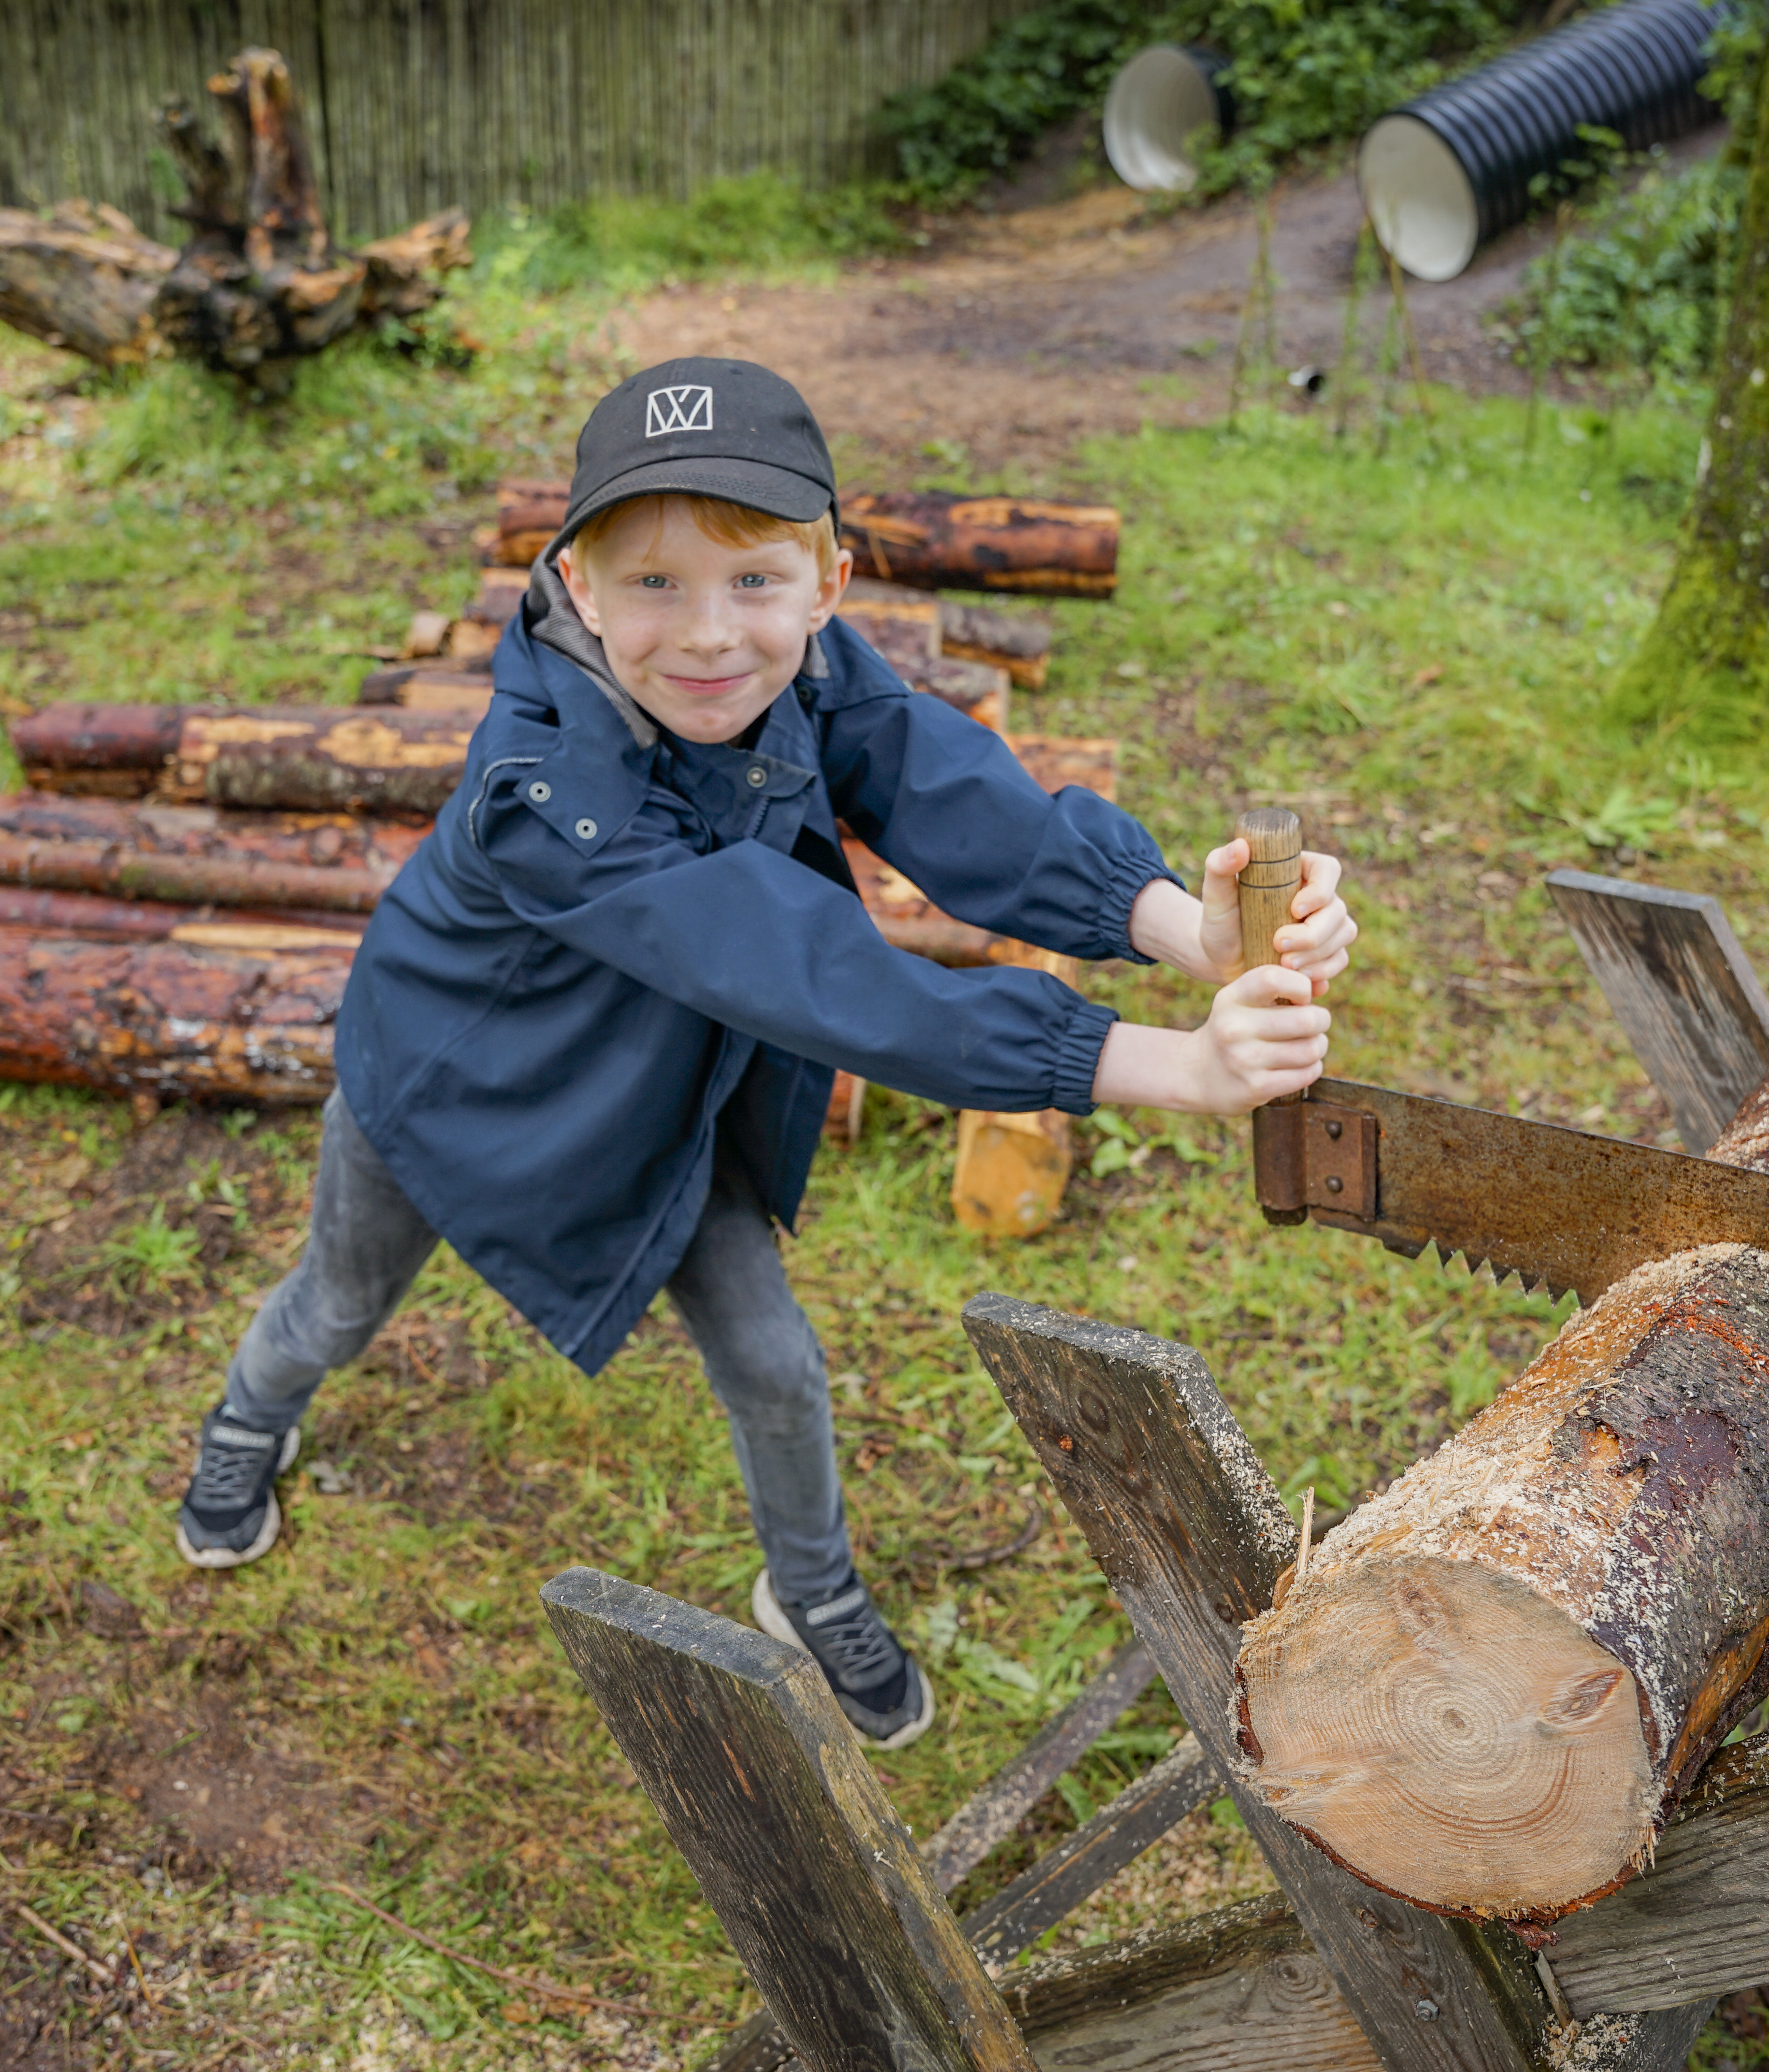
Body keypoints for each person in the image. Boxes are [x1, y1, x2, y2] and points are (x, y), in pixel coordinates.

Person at [175, 358, 1354, 1749]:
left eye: (752, 583)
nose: (710, 636)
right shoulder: (546, 790)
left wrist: (1181, 929)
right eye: (656, 585)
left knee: (778, 1366)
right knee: (334, 1304)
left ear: (828, 583)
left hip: (663, 1087)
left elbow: (940, 786)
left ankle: (811, 1588)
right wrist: (1175, 1069)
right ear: (579, 584)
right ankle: (247, 1427)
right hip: (457, 1085)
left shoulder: (794, 662)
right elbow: (814, 970)